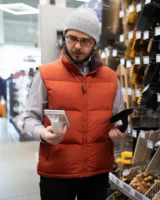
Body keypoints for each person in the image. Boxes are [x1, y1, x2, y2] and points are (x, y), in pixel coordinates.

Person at [24, 8, 127, 200]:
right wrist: (42, 134)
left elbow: (118, 119)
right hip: (56, 173)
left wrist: (120, 132)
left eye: (85, 41)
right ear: (65, 36)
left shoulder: (111, 78)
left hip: (97, 173)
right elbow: (29, 119)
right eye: (72, 38)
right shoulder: (45, 74)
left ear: (94, 43)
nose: (77, 46)